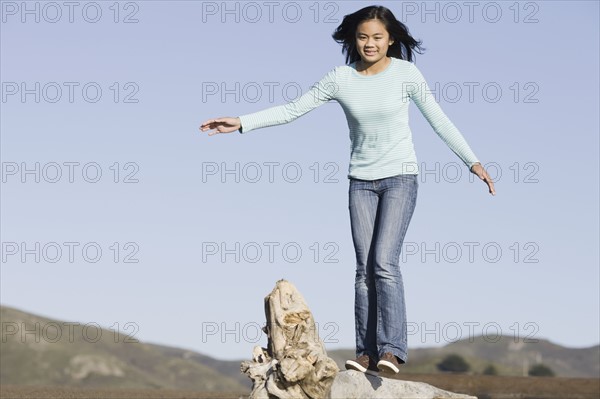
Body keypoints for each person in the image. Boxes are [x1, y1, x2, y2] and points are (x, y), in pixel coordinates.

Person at [200, 5, 495, 376]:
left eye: (377, 37)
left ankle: (392, 350)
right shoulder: (340, 78)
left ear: (390, 39)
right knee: (363, 270)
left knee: (384, 263)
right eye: (363, 37)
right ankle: (367, 352)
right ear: (353, 40)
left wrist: (472, 161)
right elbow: (293, 110)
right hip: (361, 183)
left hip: (400, 178)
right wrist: (242, 122)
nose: (369, 43)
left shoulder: (406, 74)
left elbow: (439, 119)